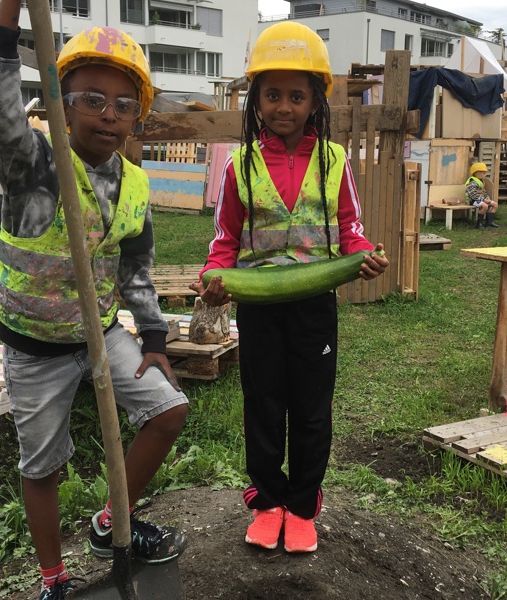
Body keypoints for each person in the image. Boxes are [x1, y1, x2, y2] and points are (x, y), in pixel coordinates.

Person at [0, 7, 189, 599]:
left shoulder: (135, 185)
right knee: (43, 465)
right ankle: (54, 580)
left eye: (124, 104)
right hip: (35, 345)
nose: (109, 114)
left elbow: (138, 271)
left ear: (136, 117)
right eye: (92, 98)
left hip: (100, 335)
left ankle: (109, 523)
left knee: (168, 411)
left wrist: (155, 340)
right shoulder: (32, 162)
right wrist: (9, 18)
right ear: (61, 103)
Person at [189, 21, 389, 554]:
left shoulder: (334, 160)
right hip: (257, 302)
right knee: (262, 401)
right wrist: (215, 277)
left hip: (314, 305)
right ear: (256, 99)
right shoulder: (241, 163)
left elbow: (350, 227)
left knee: (310, 407)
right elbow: (226, 236)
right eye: (272, 94)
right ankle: (267, 502)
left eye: (296, 95)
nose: (284, 106)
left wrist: (362, 257)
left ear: (315, 101)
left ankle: (302, 505)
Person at [465, 161, 499, 228]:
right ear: (478, 173)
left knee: (495, 204)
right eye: (484, 173)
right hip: (472, 200)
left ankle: (489, 222)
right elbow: (473, 196)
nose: (485, 174)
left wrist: (487, 198)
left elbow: (483, 191)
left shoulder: (481, 181)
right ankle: (479, 223)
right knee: (485, 206)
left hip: (481, 199)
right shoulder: (472, 183)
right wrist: (484, 200)